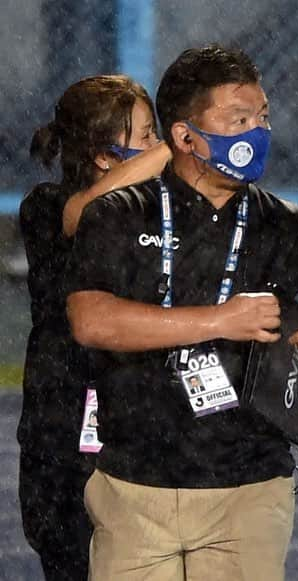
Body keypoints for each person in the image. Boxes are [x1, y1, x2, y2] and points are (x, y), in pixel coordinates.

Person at [65, 44, 298, 580]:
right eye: (239, 119)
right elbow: (91, 320)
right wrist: (220, 319)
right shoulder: (119, 214)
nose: (258, 132)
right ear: (184, 137)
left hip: (248, 492)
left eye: (263, 117)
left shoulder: (284, 225)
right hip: (134, 488)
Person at [19, 74, 164, 581]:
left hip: (135, 426)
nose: (157, 146)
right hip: (61, 427)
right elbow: (80, 213)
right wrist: (177, 152)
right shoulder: (46, 206)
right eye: (145, 136)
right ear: (104, 156)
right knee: (71, 555)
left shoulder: (157, 212)